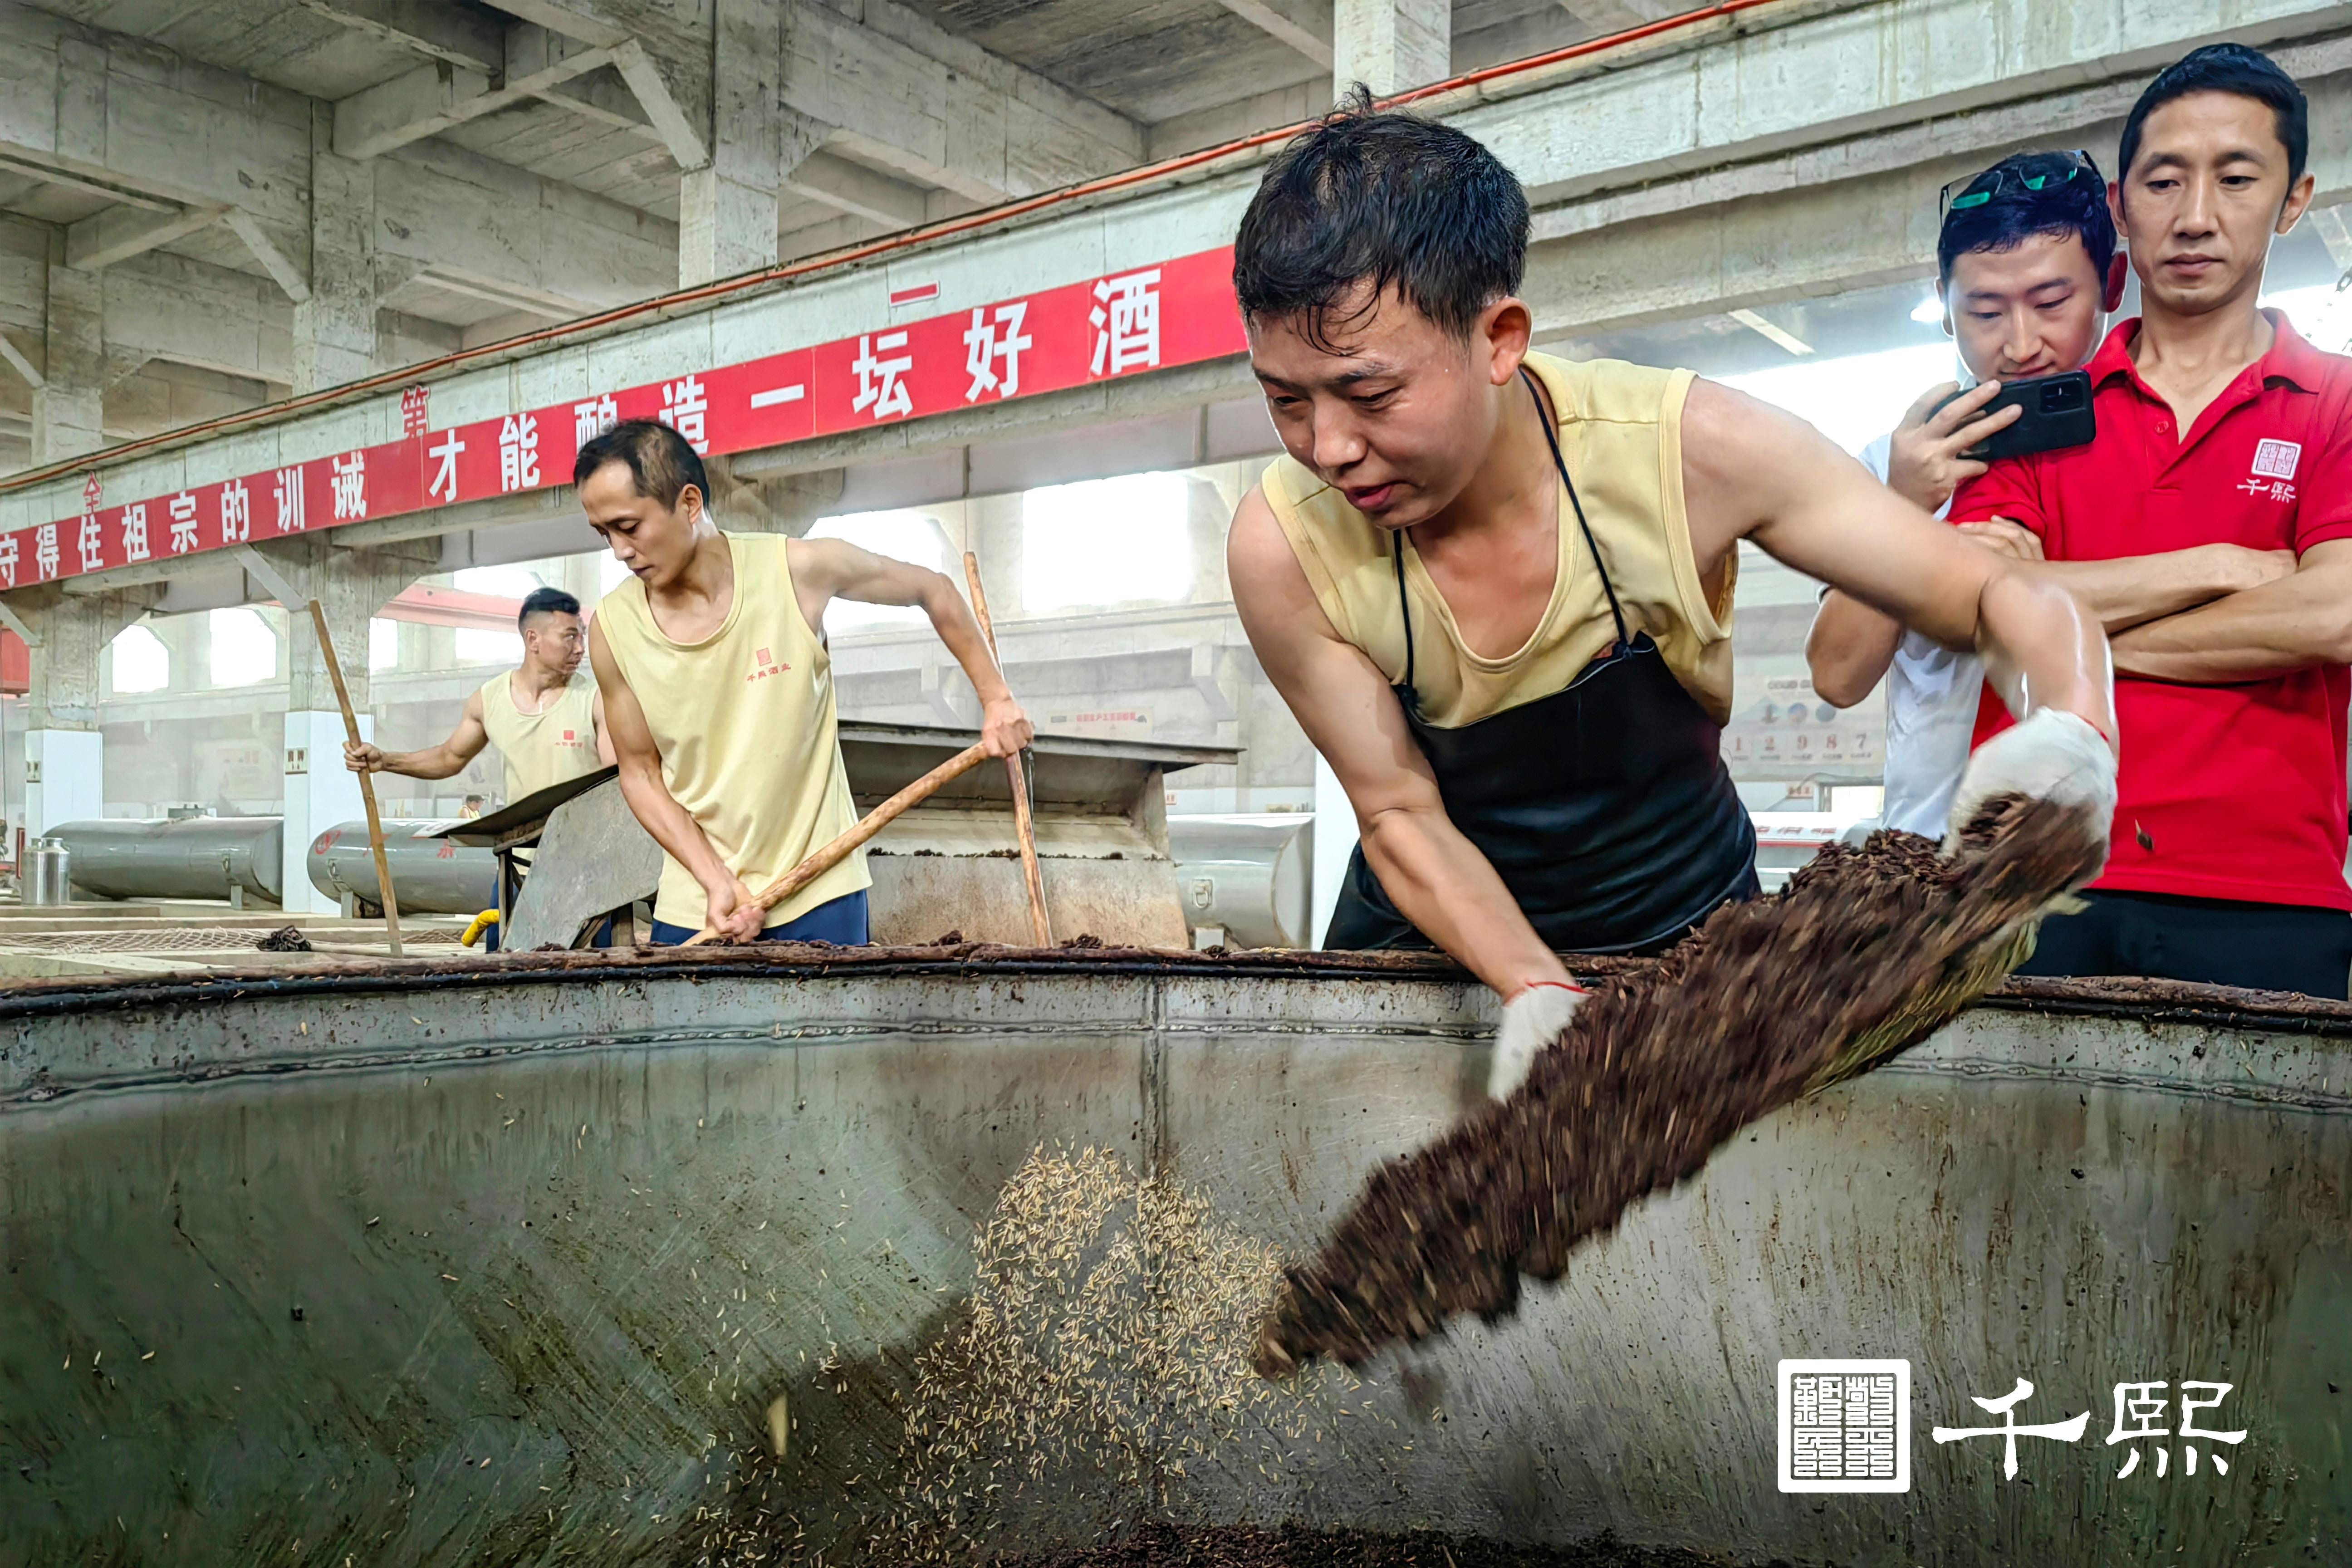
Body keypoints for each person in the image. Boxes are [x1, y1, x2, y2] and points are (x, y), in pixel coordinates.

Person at [1228, 96, 2120, 1097]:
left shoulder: (1692, 452)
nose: (1330, 448)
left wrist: (2076, 722)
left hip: (1683, 945)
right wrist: (1533, 990)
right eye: (1286, 400)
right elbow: (1395, 813)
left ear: (1500, 339)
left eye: (1372, 394)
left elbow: (1991, 592)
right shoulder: (1284, 544)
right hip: (1425, 956)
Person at [1953, 44, 2352, 997]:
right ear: (2124, 207)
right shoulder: (2029, 409)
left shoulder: (2336, 403)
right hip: (2026, 876)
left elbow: (2333, 617)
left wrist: (2062, 639)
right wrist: (2229, 567)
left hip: (2272, 892)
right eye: (2165, 181)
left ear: (2293, 200)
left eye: (2237, 177)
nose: (2197, 216)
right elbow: (1972, 600)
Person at [580, 419, 1032, 946]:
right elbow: (640, 773)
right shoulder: (614, 630)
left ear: (688, 503)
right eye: (603, 533)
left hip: (821, 887)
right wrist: (714, 880)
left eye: (629, 527)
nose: (619, 551)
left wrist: (997, 698)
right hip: (699, 903)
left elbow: (932, 589)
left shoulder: (796, 571)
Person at [344, 585, 613, 807]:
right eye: (569, 637)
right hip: (519, 860)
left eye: (582, 637)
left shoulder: (596, 700)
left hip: (583, 859)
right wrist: (386, 761)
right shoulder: (488, 701)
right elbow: (449, 758)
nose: (580, 648)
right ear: (534, 640)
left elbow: (619, 778)